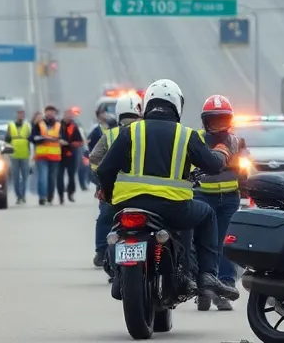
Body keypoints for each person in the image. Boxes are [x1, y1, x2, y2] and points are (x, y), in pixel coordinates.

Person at [95, 78, 239, 306]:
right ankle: (207, 276)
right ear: (177, 105)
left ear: (148, 103)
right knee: (208, 215)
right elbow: (212, 165)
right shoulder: (186, 134)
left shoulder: (130, 132)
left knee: (115, 229)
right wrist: (222, 152)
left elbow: (104, 170)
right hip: (174, 208)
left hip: (129, 204)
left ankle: (115, 270)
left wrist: (110, 196)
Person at [188, 94, 249, 311]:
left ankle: (225, 286)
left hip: (229, 200)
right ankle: (203, 289)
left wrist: (247, 191)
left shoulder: (236, 141)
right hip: (203, 198)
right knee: (203, 243)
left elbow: (245, 170)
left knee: (226, 243)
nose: (219, 124)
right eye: (214, 119)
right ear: (206, 121)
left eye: (223, 119)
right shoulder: (196, 139)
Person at [89, 93, 141, 268]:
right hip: (144, 189)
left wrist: (101, 180)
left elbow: (95, 157)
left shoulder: (110, 135)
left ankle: (102, 252)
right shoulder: (147, 133)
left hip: (113, 189)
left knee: (105, 219)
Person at [30, 105, 64, 205]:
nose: (50, 113)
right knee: (42, 177)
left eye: (52, 111)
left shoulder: (59, 124)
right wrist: (41, 138)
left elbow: (63, 137)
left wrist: (60, 139)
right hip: (42, 155)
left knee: (52, 178)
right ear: (45, 113)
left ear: (55, 113)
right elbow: (32, 137)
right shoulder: (39, 123)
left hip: (54, 156)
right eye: (48, 111)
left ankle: (50, 196)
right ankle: (42, 197)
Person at [4, 107, 32, 205]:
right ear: (16, 115)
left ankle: (23, 195)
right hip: (14, 155)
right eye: (19, 114)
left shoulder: (27, 125)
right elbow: (6, 140)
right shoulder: (11, 125)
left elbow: (30, 140)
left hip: (25, 154)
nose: (21, 115)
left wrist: (31, 154)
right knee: (15, 177)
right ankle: (18, 196)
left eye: (22, 114)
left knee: (25, 176)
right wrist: (7, 153)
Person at [57, 108, 85, 203]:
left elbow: (80, 141)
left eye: (69, 115)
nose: (68, 117)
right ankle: (61, 196)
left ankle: (70, 193)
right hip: (59, 154)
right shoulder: (58, 126)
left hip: (71, 154)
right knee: (59, 176)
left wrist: (70, 144)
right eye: (66, 115)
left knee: (71, 176)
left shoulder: (75, 127)